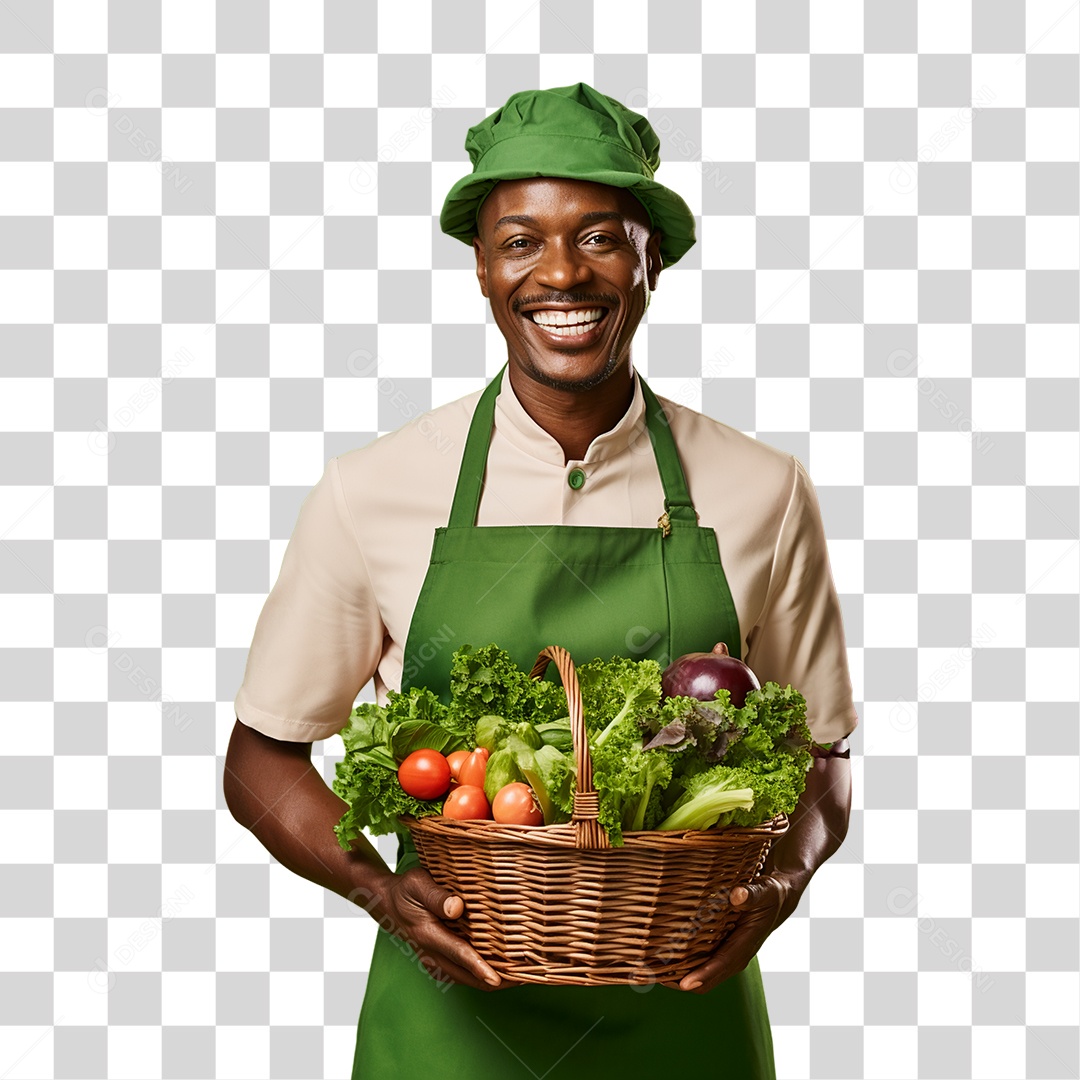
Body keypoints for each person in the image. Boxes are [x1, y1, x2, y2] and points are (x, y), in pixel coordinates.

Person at [225, 82, 858, 1080]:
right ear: (482, 267)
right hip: (449, 1029)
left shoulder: (764, 491)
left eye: (601, 236)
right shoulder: (373, 490)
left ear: (653, 257)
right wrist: (382, 895)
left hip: (687, 1022)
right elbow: (261, 761)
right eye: (520, 240)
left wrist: (777, 887)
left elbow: (821, 756)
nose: (562, 272)